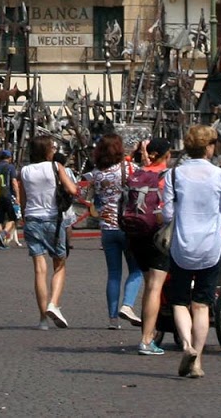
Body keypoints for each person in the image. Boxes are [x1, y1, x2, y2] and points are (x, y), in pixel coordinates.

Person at [156, 124, 221, 380]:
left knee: (179, 301)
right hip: (210, 246)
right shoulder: (220, 175)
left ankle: (186, 344)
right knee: (201, 304)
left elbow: (167, 214)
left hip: (182, 246)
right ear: (209, 147)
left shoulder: (174, 174)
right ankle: (197, 359)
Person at [16, 134, 79, 329]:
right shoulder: (55, 167)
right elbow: (73, 190)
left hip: (32, 219)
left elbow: (23, 199)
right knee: (59, 265)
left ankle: (43, 319)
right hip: (52, 218)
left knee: (39, 270)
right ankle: (54, 304)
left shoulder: (24, 171)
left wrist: (24, 217)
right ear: (46, 150)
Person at [83, 133, 143, 329]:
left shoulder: (96, 174)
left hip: (107, 228)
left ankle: (112, 319)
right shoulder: (130, 168)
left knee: (114, 273)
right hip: (128, 226)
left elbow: (82, 192)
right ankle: (127, 305)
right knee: (136, 269)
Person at [125, 138, 172, 355]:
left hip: (136, 232)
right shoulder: (167, 175)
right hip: (157, 234)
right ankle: (146, 340)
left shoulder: (137, 173)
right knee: (155, 286)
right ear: (166, 155)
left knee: (148, 285)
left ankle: (149, 332)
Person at [0, 149, 20, 248]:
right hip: (8, 195)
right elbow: (14, 182)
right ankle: (3, 234)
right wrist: (17, 196)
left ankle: (2, 243)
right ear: (10, 158)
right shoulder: (10, 167)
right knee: (12, 218)